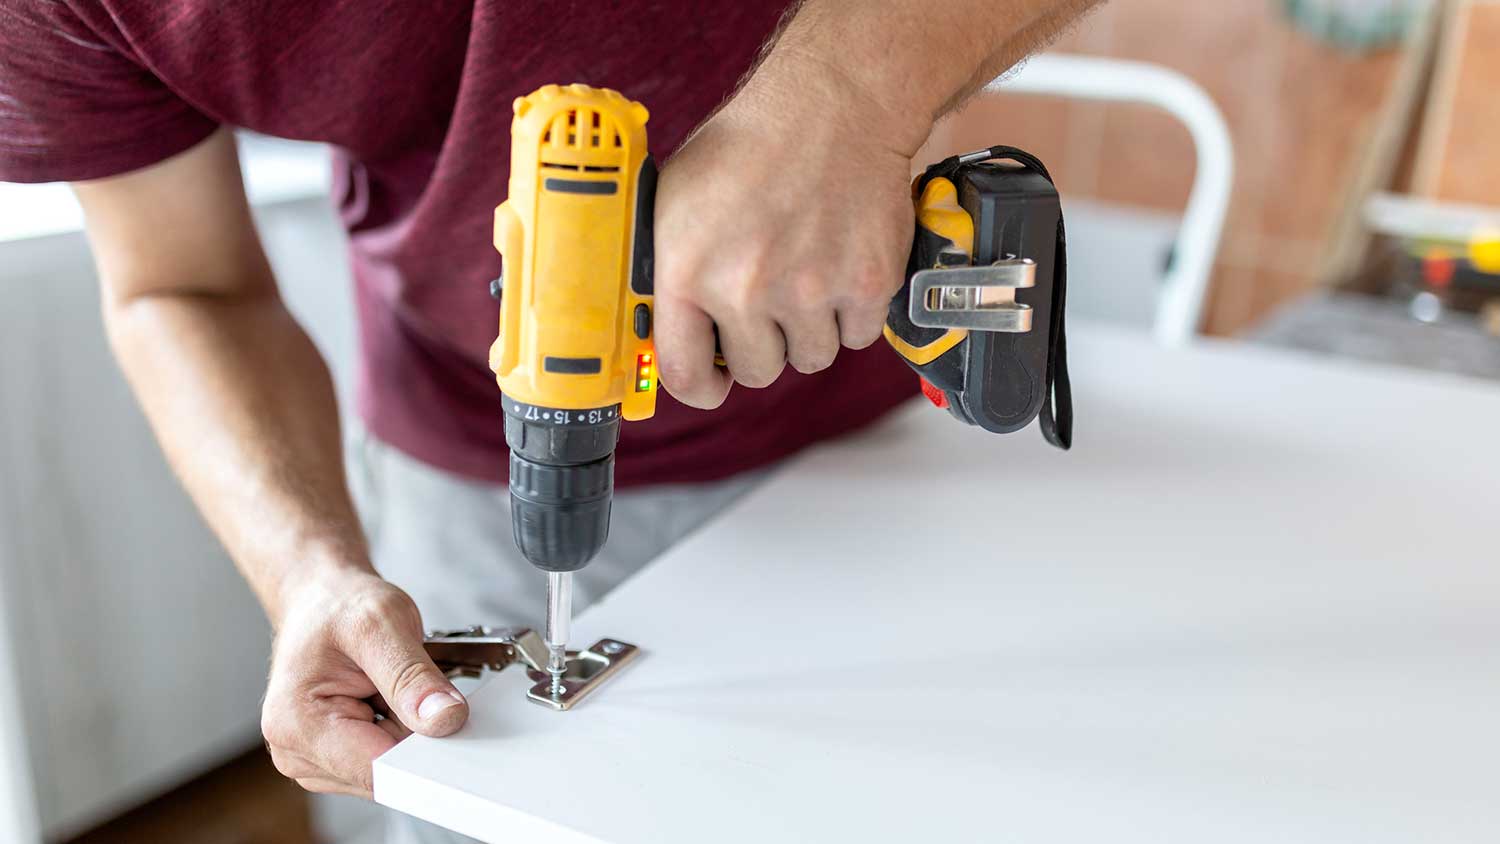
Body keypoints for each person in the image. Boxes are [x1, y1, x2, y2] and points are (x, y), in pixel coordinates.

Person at [1, 0, 1097, 838]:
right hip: (448, 464)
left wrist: (844, 96)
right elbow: (179, 286)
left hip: (851, 462)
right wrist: (308, 576)